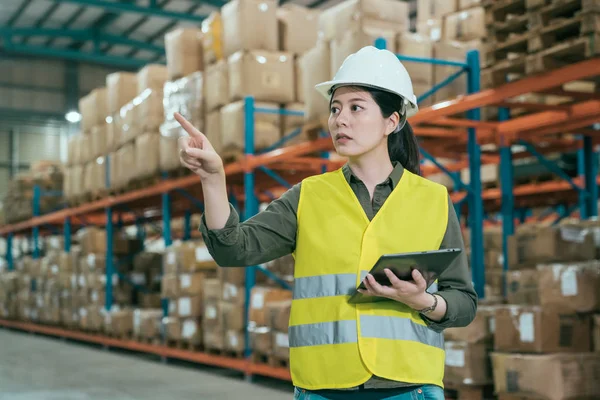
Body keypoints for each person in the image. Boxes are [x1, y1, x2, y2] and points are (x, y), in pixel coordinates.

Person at [176, 45, 477, 400]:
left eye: (355, 108)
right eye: (335, 109)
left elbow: (463, 301)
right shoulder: (308, 197)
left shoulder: (433, 200)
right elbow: (233, 249)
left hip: (409, 387)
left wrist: (423, 301)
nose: (340, 120)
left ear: (391, 121)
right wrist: (213, 180)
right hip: (325, 387)